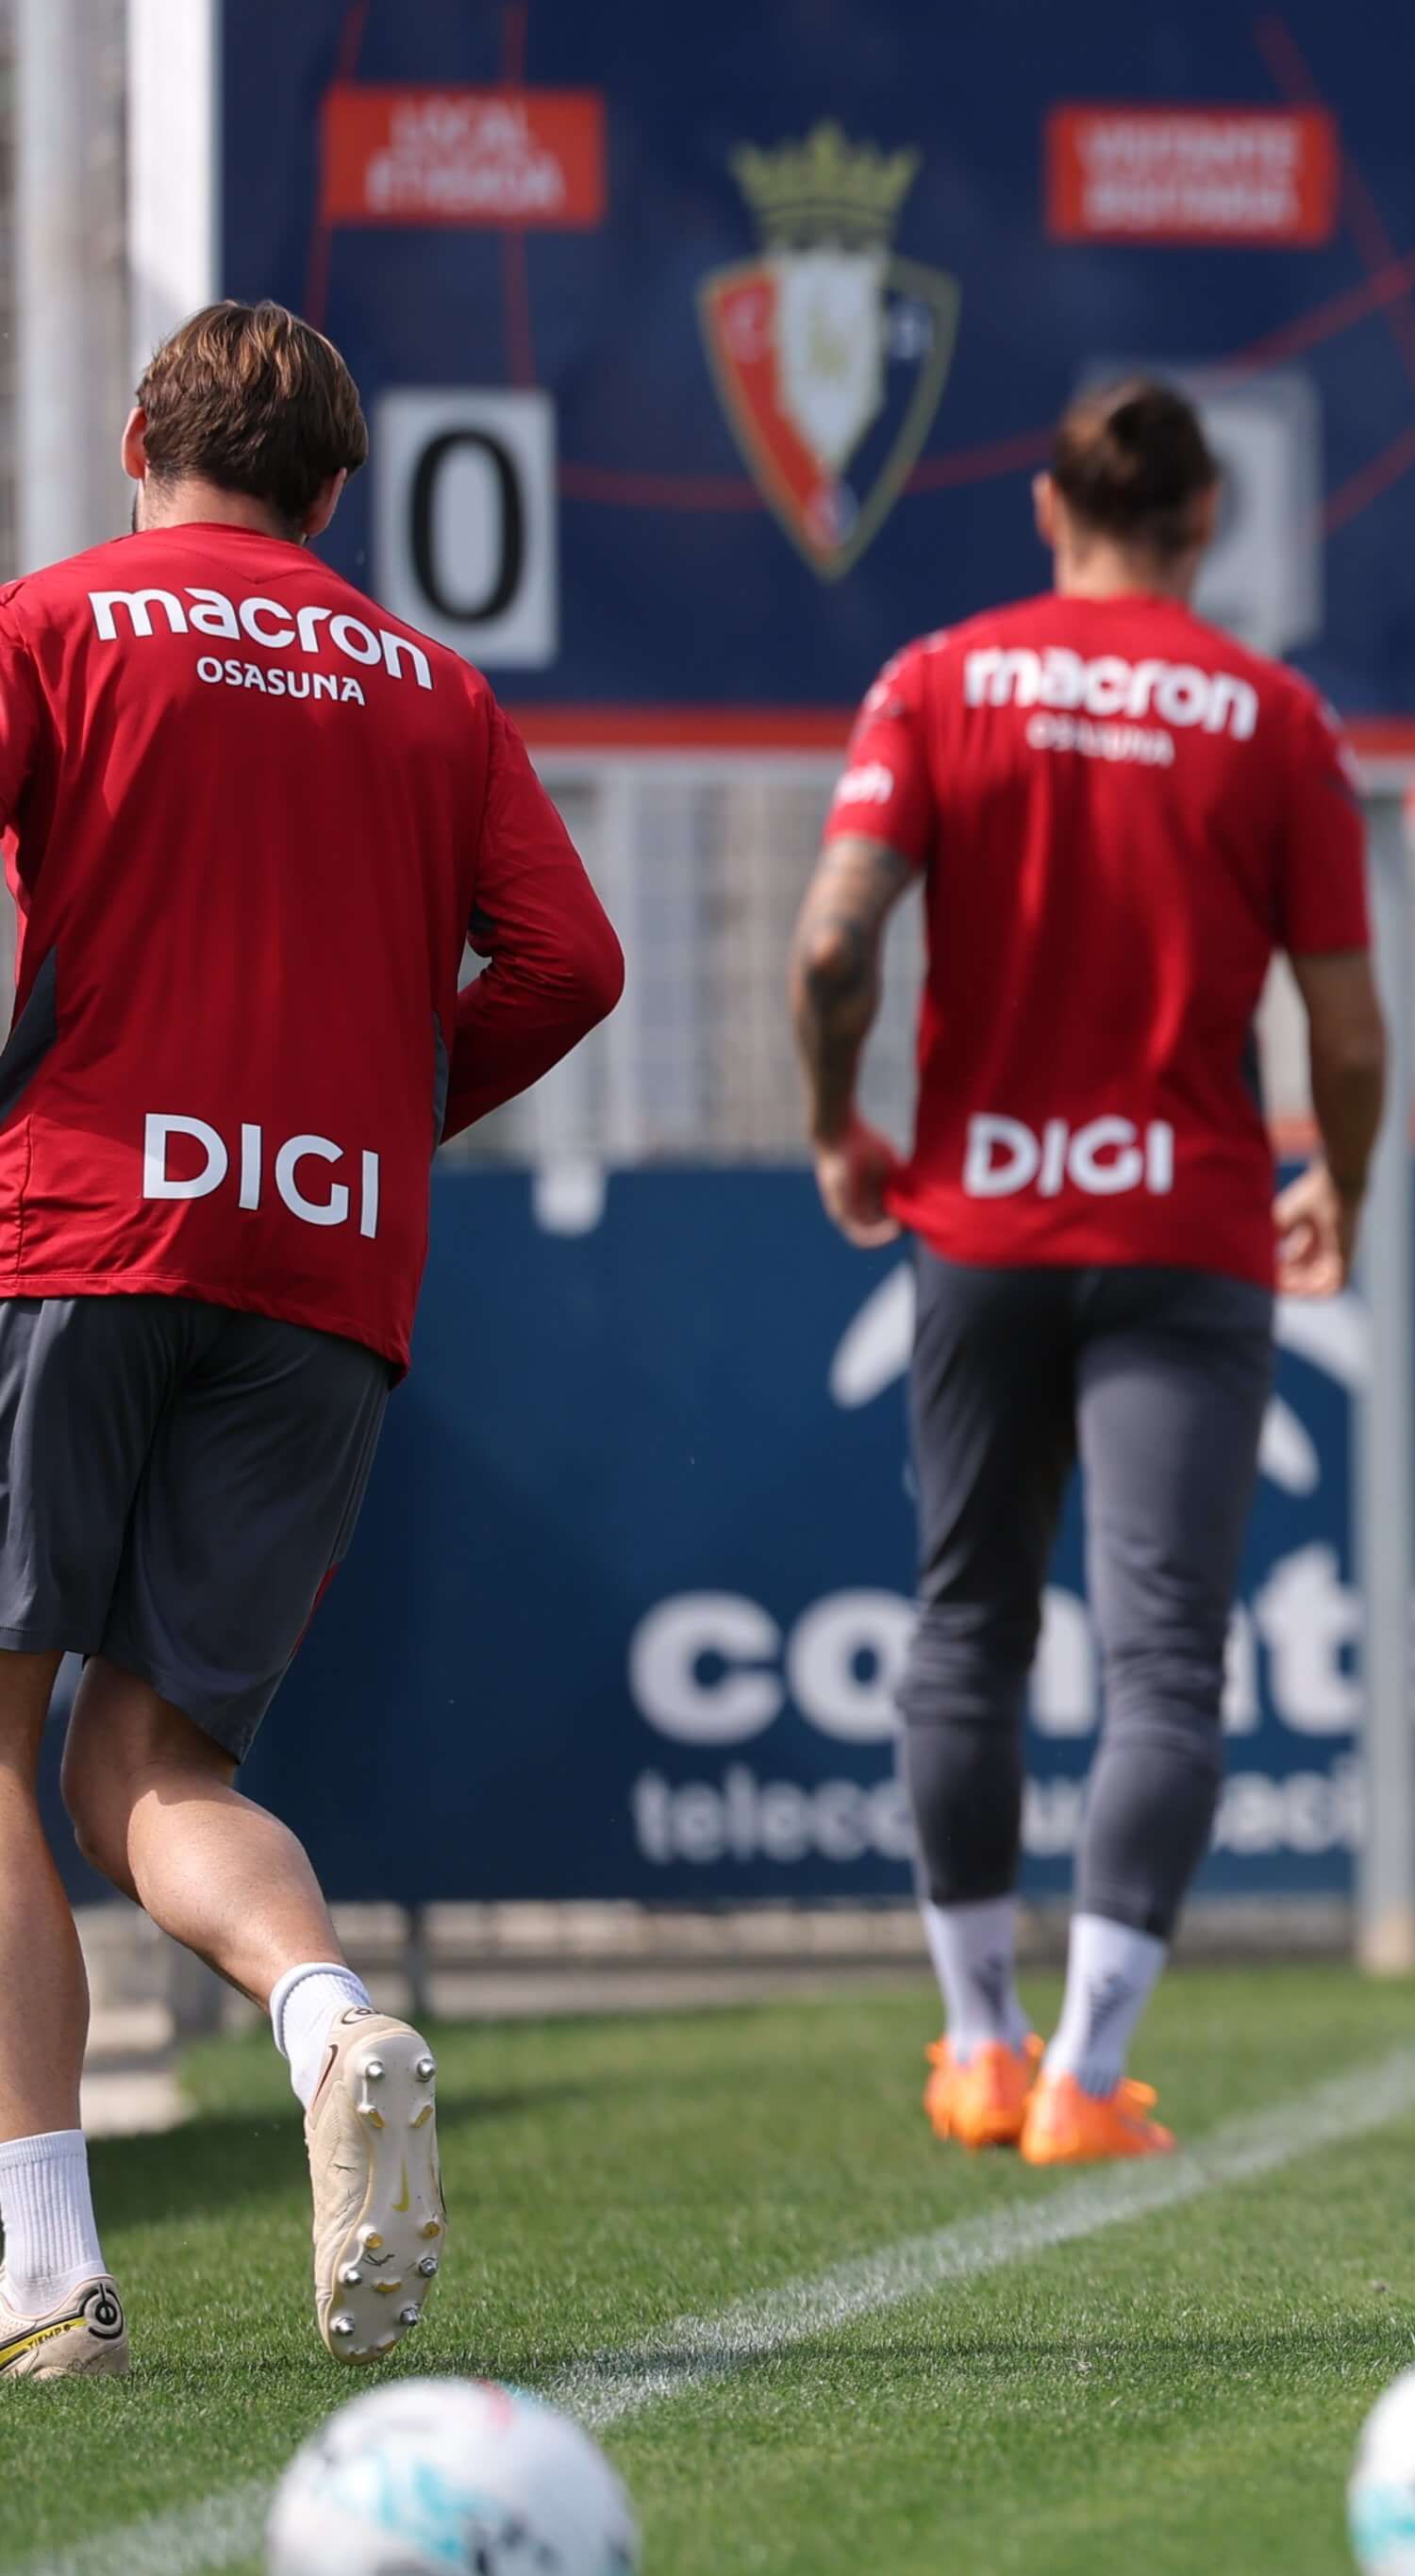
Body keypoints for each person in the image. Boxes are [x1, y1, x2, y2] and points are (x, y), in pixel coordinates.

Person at [0, 302, 624, 2377]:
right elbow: (571, 961)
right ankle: (326, 2014)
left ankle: (41, 2279)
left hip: (81, 1221)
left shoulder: (58, 624)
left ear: (137, 441)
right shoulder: (433, 688)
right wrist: (376, 1118)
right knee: (154, 1764)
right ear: (336, 494)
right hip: (325, 1261)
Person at [791, 379, 1387, 2170]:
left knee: (967, 1625)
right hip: (1183, 1235)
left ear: (1049, 511)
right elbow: (1350, 1028)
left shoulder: (937, 680)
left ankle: (980, 2044)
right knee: (1165, 1664)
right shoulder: (1274, 717)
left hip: (981, 1225)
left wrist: (837, 1119)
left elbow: (832, 947)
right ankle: (1087, 2075)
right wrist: (1342, 1182)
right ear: (1206, 521)